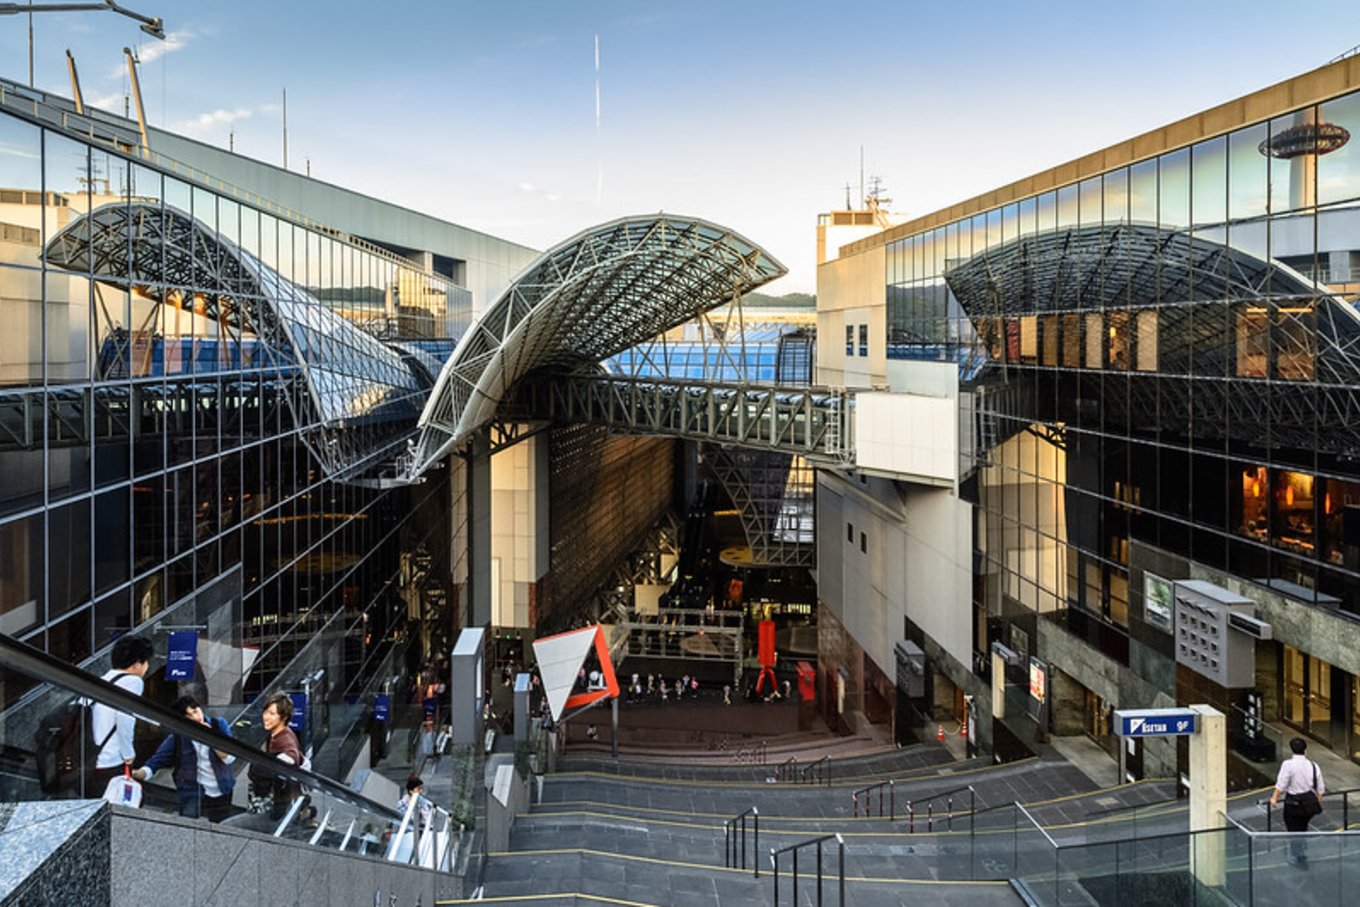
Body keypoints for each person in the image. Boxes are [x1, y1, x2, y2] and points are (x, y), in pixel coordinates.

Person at [135, 695, 236, 821]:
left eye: (195, 711)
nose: (195, 718)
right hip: (191, 789)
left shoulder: (219, 725)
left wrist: (211, 739)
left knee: (221, 826)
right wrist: (140, 773)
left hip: (222, 786)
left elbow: (229, 758)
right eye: (188, 716)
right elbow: (158, 760)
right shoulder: (179, 736)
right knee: (188, 824)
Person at [90, 635, 154, 794]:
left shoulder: (104, 679)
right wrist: (128, 754)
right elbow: (125, 717)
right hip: (109, 760)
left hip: (88, 759)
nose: (147, 667)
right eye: (146, 662)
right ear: (137, 664)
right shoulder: (133, 682)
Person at [248, 693, 304, 820]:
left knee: (229, 825)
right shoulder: (273, 735)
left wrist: (270, 764)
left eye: (272, 714)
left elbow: (292, 756)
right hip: (276, 804)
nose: (266, 717)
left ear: (283, 717)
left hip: (278, 808)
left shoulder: (285, 737)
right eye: (265, 712)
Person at [1270, 736, 1325, 865]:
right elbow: (1320, 789)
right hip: (1308, 802)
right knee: (1302, 827)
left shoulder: (1288, 764)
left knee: (1293, 830)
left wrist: (1274, 798)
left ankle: (1298, 856)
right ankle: (1301, 850)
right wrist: (1316, 801)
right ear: (1305, 750)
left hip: (1293, 802)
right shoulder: (1313, 765)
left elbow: (1281, 784)